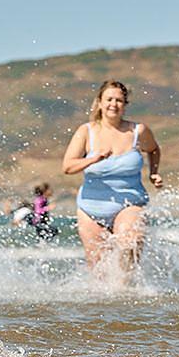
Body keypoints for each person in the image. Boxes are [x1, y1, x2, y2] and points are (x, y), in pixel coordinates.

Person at [61, 80, 164, 276]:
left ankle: (126, 293)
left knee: (130, 242)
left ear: (125, 105)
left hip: (129, 203)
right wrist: (93, 159)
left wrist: (153, 172)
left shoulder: (138, 131)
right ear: (99, 102)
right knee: (99, 273)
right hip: (90, 208)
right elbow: (68, 166)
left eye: (119, 100)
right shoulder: (86, 131)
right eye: (109, 99)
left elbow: (153, 149)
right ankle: (108, 306)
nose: (113, 104)